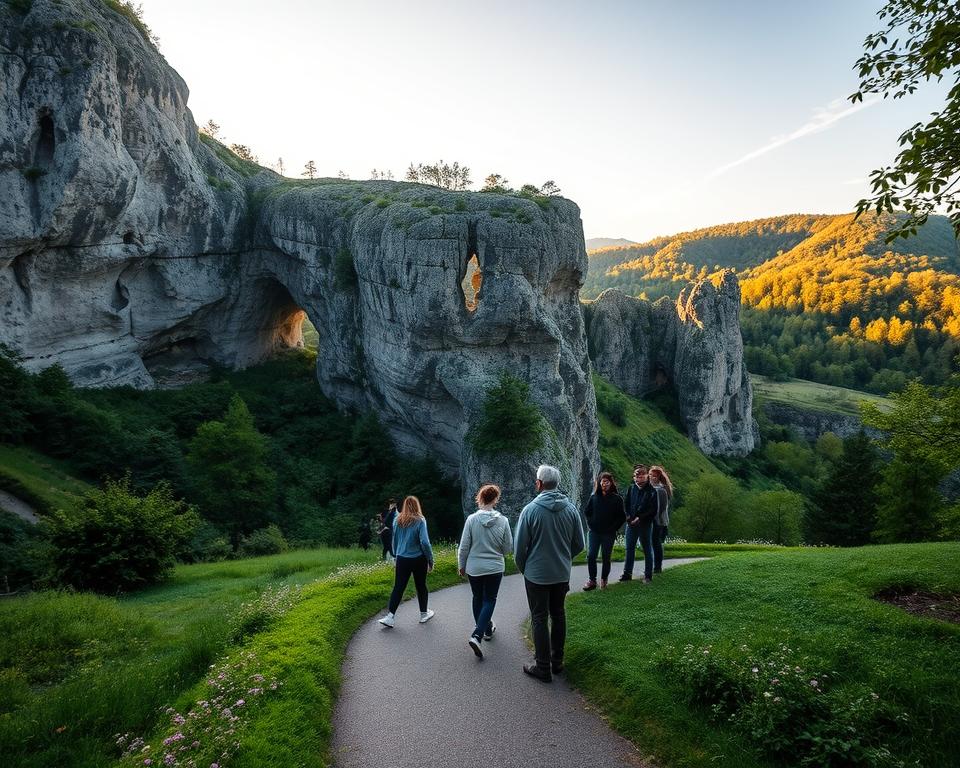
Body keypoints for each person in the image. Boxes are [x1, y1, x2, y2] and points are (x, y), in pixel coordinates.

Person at [514, 464, 585, 682]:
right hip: (561, 574)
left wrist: (525, 569)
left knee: (539, 618)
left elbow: (519, 549)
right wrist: (564, 559)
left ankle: (542, 667)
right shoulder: (571, 509)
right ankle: (557, 661)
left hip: (536, 574)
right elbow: (580, 544)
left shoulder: (530, 510)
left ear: (539, 483)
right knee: (558, 614)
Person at [458, 484, 513, 658]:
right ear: (496, 499)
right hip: (495, 567)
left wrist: (461, 564)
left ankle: (484, 630)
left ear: (480, 498)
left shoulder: (472, 520)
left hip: (474, 567)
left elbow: (464, 546)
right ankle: (478, 634)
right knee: (489, 599)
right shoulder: (503, 521)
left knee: (477, 598)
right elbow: (507, 548)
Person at [378, 496, 435, 627]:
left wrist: (396, 555)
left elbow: (395, 540)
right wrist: (430, 560)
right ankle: (423, 614)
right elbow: (425, 542)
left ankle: (390, 617)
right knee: (421, 586)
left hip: (402, 558)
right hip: (418, 558)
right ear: (417, 506)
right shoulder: (420, 520)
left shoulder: (397, 520)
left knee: (398, 587)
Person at [581, 471, 625, 591]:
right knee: (591, 556)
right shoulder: (594, 497)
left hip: (609, 533)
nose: (604, 484)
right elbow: (587, 512)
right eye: (602, 481)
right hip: (594, 532)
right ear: (599, 483)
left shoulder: (617, 499)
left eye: (607, 481)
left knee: (606, 557)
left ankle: (604, 580)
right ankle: (592, 580)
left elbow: (622, 517)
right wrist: (590, 524)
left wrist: (613, 528)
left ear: (611, 483)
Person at [619, 464, 658, 584]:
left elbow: (653, 510)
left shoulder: (652, 491)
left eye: (641, 475)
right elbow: (626, 503)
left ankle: (648, 576)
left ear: (646, 476)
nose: (638, 478)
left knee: (647, 549)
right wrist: (627, 516)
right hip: (631, 524)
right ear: (634, 476)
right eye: (636, 475)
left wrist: (640, 518)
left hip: (644, 525)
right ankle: (627, 573)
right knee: (629, 548)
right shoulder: (632, 488)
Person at [649, 465, 673, 574]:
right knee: (652, 542)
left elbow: (662, 508)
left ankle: (657, 566)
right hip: (650, 520)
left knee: (656, 542)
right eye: (650, 475)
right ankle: (652, 565)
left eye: (654, 476)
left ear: (659, 477)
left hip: (659, 521)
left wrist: (655, 520)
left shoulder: (661, 490)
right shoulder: (648, 488)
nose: (651, 477)